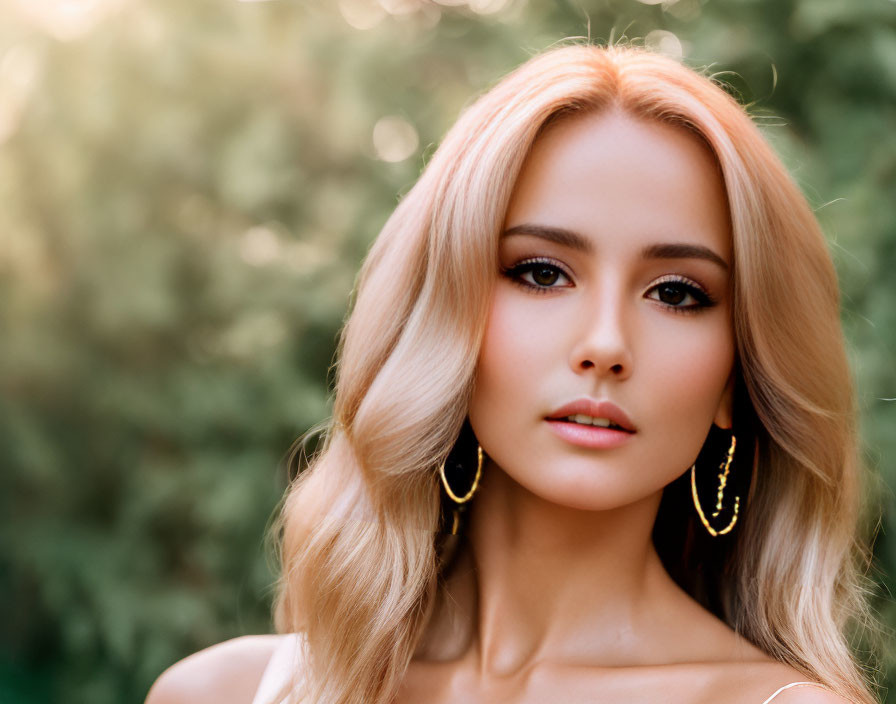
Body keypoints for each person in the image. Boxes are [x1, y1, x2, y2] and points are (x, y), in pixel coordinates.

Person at [146, 42, 879, 704]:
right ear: (446, 314)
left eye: (678, 293)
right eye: (541, 272)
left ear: (736, 378)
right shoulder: (224, 693)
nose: (605, 344)